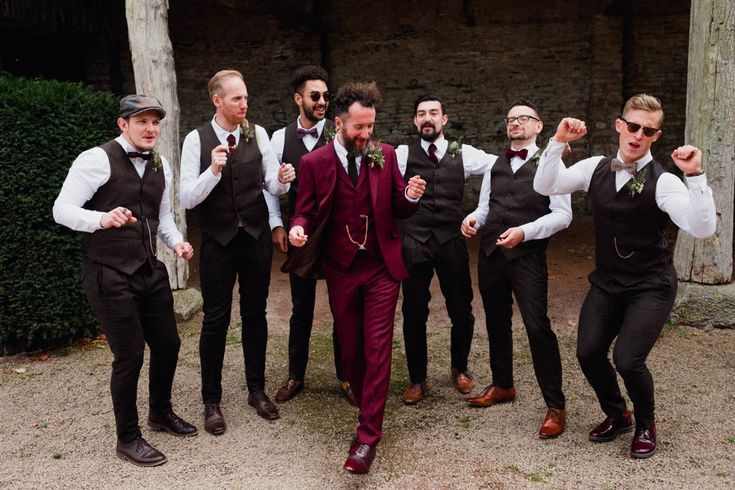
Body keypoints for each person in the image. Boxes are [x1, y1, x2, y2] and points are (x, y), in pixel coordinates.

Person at [533, 93, 716, 458]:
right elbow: (545, 186)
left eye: (647, 131)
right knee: (588, 352)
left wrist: (695, 176)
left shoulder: (664, 182)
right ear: (620, 126)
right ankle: (618, 414)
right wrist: (557, 143)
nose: (637, 135)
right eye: (632, 126)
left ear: (655, 136)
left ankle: (647, 424)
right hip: (609, 281)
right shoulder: (595, 167)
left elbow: (701, 228)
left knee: (629, 359)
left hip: (650, 284)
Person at [284, 81, 425, 474]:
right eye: (359, 127)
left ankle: (366, 438)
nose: (366, 135)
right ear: (338, 123)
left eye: (371, 127)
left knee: (377, 346)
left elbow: (400, 205)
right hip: (341, 268)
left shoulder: (387, 154)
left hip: (381, 267)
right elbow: (304, 210)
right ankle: (369, 406)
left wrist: (411, 196)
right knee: (351, 350)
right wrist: (297, 228)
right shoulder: (315, 164)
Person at [53, 95, 197, 467]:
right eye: (142, 122)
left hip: (149, 270)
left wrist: (176, 242)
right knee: (129, 354)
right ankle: (128, 438)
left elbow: (160, 217)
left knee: (168, 344)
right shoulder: (95, 159)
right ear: (123, 124)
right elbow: (62, 209)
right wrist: (100, 219)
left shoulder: (160, 163)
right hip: (109, 272)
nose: (151, 129)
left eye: (155, 122)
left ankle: (160, 413)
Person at [180, 70, 293, 432]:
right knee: (216, 319)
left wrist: (283, 179)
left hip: (255, 237)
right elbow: (186, 198)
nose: (245, 104)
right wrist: (213, 170)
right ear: (217, 101)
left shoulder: (256, 133)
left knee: (255, 314)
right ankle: (211, 401)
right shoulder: (195, 140)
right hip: (217, 240)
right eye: (236, 99)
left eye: (245, 98)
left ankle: (256, 390)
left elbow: (270, 183)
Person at [461, 99, 572, 439]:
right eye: (510, 119)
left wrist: (526, 232)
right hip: (492, 254)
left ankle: (555, 405)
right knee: (496, 322)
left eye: (524, 118)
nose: (515, 123)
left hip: (527, 257)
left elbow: (563, 215)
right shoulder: (495, 164)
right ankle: (503, 384)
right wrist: (472, 220)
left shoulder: (551, 164)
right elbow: (485, 207)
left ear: (539, 126)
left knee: (537, 327)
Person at [394, 94, 492, 404]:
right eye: (421, 113)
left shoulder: (462, 152)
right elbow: (378, 180)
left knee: (462, 308)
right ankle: (416, 378)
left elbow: (500, 167)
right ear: (414, 120)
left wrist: (480, 212)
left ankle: (459, 367)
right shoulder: (401, 153)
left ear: (444, 119)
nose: (427, 118)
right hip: (414, 241)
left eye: (433, 113)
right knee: (413, 310)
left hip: (451, 239)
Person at [265, 65, 354, 405]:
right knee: (301, 308)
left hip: (336, 234)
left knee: (342, 307)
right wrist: (277, 224)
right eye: (315, 96)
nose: (322, 102)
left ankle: (346, 376)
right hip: (300, 234)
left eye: (326, 96)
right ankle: (295, 375)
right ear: (298, 98)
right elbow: (270, 188)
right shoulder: (278, 139)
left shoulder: (339, 134)